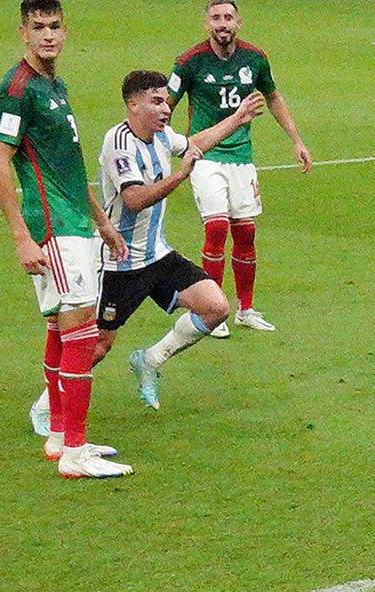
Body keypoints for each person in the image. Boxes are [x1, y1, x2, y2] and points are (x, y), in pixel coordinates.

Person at [0, 0, 132, 479]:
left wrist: (104, 223)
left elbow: (69, 168)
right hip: (51, 226)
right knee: (81, 331)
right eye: (38, 28)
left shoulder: (55, 85)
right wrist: (21, 238)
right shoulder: (18, 90)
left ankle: (57, 436)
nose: (47, 35)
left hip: (74, 220)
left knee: (59, 328)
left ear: (64, 31)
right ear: (22, 33)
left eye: (54, 27)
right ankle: (75, 451)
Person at [96, 73, 266, 410]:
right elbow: (133, 199)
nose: (165, 109)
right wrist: (179, 175)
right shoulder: (118, 142)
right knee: (98, 346)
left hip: (157, 255)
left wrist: (237, 118)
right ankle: (46, 405)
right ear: (133, 105)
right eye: (156, 102)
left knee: (216, 307)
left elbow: (194, 144)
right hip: (120, 263)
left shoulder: (161, 136)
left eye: (165, 101)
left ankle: (149, 360)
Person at [169, 0, 313, 336]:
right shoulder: (189, 62)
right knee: (217, 228)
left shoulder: (255, 58)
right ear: (207, 23)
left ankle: (245, 309)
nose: (222, 24)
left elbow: (273, 96)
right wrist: (169, 147)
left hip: (242, 157)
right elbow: (166, 104)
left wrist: (296, 139)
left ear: (239, 22)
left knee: (246, 232)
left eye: (228, 18)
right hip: (206, 156)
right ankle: (214, 309)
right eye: (216, 18)